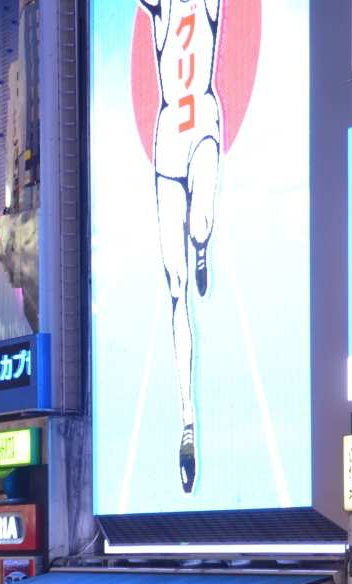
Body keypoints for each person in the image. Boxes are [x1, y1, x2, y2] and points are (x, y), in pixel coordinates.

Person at [140, 0, 221, 492]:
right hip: (167, 140)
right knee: (175, 287)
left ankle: (203, 242)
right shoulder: (159, 10)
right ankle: (187, 423)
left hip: (204, 126)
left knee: (200, 223)